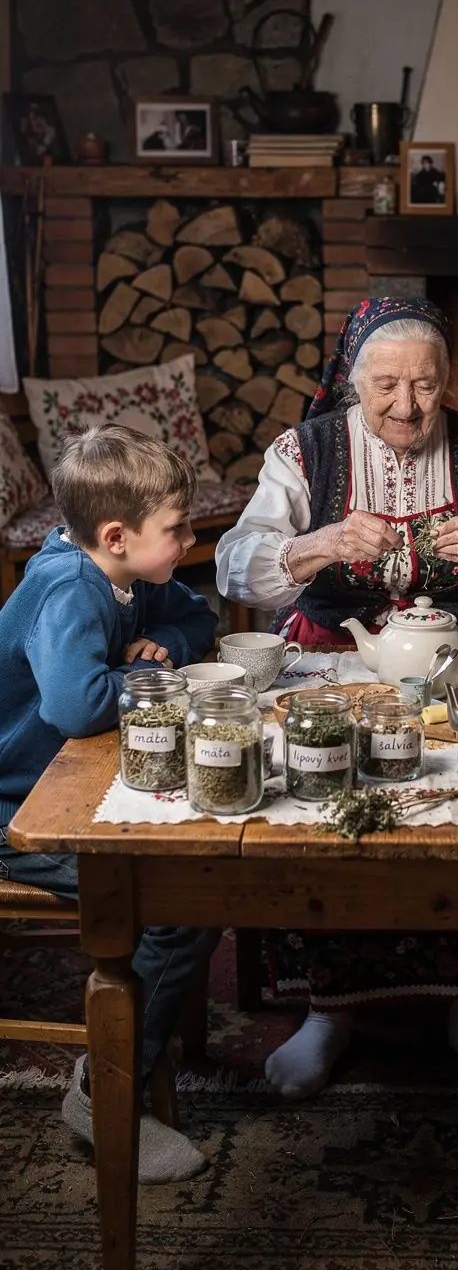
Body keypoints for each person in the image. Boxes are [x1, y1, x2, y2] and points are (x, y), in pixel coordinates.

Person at [216, 295, 458, 1104]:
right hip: (336, 657)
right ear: (352, 379)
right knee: (328, 814)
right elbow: (237, 562)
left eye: (426, 385)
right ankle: (327, 1012)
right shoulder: (304, 451)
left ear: (448, 379)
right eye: (385, 386)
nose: (407, 406)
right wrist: (322, 544)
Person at [0, 425, 221, 1184]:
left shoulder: (132, 570)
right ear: (117, 535)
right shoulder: (68, 586)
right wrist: (156, 683)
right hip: (15, 809)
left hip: (77, 781)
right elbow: (76, 704)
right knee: (179, 900)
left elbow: (199, 617)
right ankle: (102, 1093)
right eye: (179, 529)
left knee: (205, 862)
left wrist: (161, 642)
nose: (190, 540)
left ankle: (143, 1037)